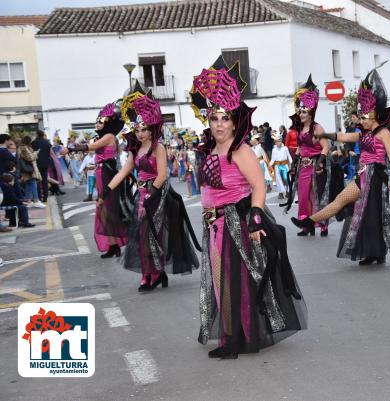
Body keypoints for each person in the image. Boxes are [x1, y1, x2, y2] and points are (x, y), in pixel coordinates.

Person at [190, 56, 306, 359]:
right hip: (213, 225)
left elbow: (258, 186)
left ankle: (238, 337)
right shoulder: (210, 149)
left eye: (225, 118)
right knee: (218, 282)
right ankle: (231, 333)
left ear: (235, 120)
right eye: (214, 118)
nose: (219, 124)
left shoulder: (240, 150)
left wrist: (255, 220)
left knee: (236, 281)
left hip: (235, 223)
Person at [292, 66, 390, 265]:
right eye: (361, 116)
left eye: (364, 117)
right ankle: (309, 221)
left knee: (371, 217)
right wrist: (324, 135)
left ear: (374, 116)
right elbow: (343, 136)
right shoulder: (363, 134)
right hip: (362, 176)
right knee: (340, 200)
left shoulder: (384, 134)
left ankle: (375, 253)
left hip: (377, 179)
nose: (361, 120)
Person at [101, 86, 200, 290]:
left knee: (151, 235)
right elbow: (123, 172)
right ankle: (152, 272)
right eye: (137, 130)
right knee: (142, 236)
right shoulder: (136, 149)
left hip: (158, 195)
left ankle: (155, 273)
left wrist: (150, 196)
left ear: (151, 128)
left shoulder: (158, 147)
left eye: (143, 129)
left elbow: (162, 175)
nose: (140, 133)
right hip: (143, 195)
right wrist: (105, 192)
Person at [69, 101, 129, 258]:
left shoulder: (109, 136)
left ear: (108, 123)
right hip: (101, 174)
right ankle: (113, 245)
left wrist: (69, 148)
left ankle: (115, 245)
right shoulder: (104, 137)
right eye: (96, 121)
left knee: (107, 211)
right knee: (104, 212)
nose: (97, 124)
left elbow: (91, 147)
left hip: (107, 176)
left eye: (100, 121)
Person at [283, 75, 330, 236]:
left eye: (304, 112)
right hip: (303, 167)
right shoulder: (300, 129)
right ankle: (306, 224)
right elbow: (299, 148)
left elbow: (326, 146)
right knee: (303, 197)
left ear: (310, 112)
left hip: (317, 167)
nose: (301, 114)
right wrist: (294, 163)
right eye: (300, 111)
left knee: (316, 196)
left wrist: (320, 162)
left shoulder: (317, 128)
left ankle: (322, 224)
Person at [17, 135, 45, 208]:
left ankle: (28, 200)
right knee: (33, 183)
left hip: (26, 168)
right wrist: (36, 153)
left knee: (28, 184)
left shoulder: (22, 147)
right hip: (29, 169)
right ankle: (36, 200)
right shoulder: (24, 148)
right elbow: (30, 157)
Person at [269, 132, 292, 199]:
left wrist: (292, 163)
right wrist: (270, 164)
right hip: (277, 166)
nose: (277, 143)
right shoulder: (274, 150)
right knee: (278, 180)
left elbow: (289, 157)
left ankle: (287, 191)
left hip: (285, 166)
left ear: (281, 141)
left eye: (279, 141)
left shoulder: (285, 148)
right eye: (276, 141)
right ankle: (280, 193)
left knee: (286, 178)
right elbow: (273, 159)